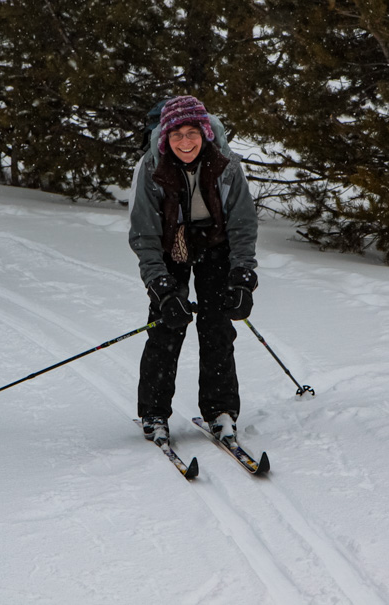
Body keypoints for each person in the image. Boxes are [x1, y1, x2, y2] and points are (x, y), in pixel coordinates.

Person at [128, 95, 258, 446]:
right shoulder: (152, 168)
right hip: (172, 247)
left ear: (205, 132)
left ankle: (220, 410)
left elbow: (243, 224)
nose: (185, 142)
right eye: (176, 135)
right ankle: (154, 412)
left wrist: (243, 277)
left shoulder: (227, 165)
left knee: (217, 326)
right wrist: (162, 288)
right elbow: (144, 235)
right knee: (167, 326)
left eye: (192, 133)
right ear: (165, 138)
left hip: (214, 247)